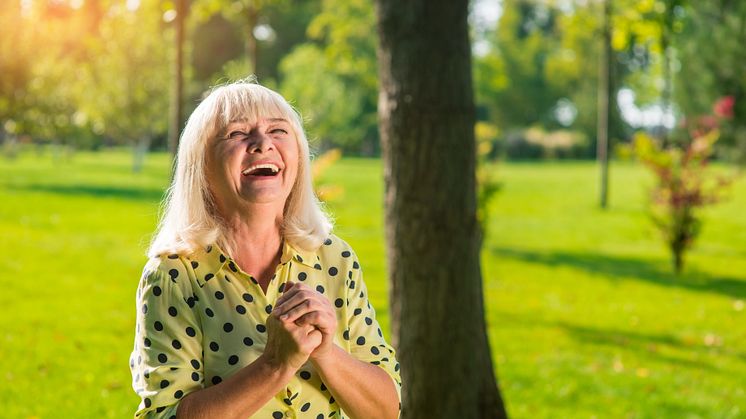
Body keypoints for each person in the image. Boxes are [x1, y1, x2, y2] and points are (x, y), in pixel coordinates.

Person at [129, 80, 401, 418]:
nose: (262, 144)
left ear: (298, 156)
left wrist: (327, 353)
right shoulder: (174, 275)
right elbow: (164, 414)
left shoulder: (335, 258)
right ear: (202, 166)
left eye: (278, 130)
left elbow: (386, 410)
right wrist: (275, 364)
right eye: (237, 134)